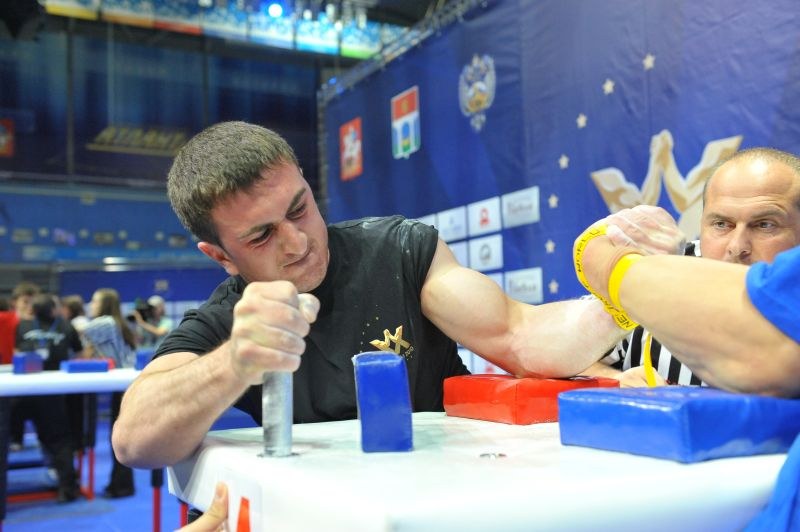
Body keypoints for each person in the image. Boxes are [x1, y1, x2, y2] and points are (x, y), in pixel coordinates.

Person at [111, 121, 683, 469]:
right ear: (221, 256)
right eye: (261, 235)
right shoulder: (226, 321)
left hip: (440, 503)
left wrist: (627, 282)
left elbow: (520, 335)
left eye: (299, 208)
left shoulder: (400, 252)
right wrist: (234, 363)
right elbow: (135, 440)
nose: (297, 242)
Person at [582, 147, 800, 388]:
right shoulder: (660, 271)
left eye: (765, 225)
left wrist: (608, 265)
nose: (737, 246)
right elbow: (565, 360)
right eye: (721, 224)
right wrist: (616, 379)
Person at [14, 293, 83, 502]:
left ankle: (64, 484)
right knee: (60, 440)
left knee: (49, 439)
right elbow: (78, 356)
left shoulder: (23, 326)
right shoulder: (66, 327)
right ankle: (68, 489)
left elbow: (17, 353)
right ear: (53, 309)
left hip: (22, 392)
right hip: (53, 393)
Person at [82, 288, 137, 498]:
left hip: (123, 388)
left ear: (104, 304)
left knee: (118, 438)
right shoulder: (116, 322)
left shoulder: (105, 322)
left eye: (95, 300)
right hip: (125, 386)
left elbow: (79, 331)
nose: (91, 304)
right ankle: (119, 483)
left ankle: (122, 486)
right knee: (118, 437)